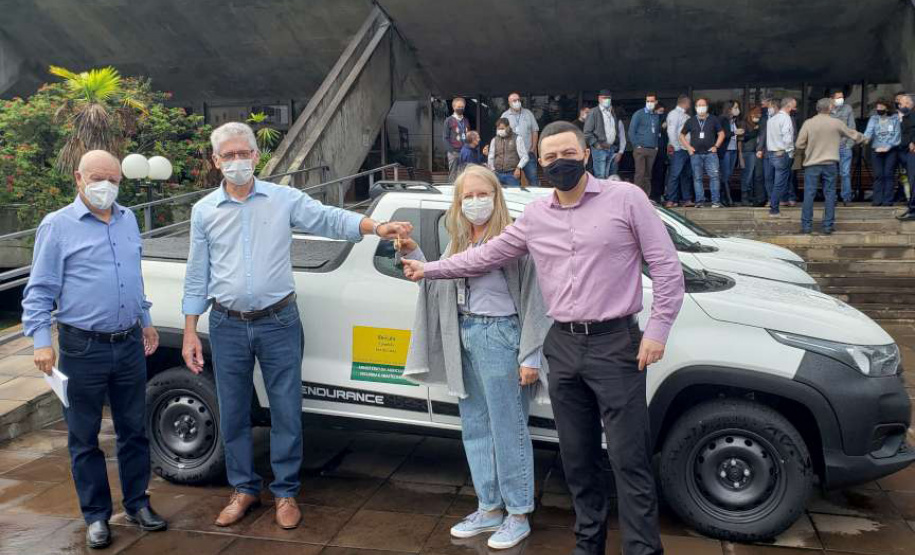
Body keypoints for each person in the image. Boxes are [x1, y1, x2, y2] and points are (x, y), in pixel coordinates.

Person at [402, 121, 685, 555]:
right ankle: (587, 545)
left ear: (586, 154)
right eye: (550, 157)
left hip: (616, 344)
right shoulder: (535, 216)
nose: (559, 163)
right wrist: (430, 269)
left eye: (567, 154)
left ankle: (642, 550)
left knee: (628, 460)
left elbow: (666, 268)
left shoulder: (625, 199)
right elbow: (486, 256)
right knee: (577, 459)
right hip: (563, 346)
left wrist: (658, 330)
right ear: (539, 161)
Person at [181, 122, 412, 530]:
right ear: (217, 161)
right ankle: (244, 489)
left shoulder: (282, 199)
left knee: (286, 409)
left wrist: (377, 227)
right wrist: (189, 330)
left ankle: (285, 492)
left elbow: (328, 219)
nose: (237, 161)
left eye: (243, 153)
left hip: (278, 321)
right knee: (233, 411)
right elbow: (197, 274)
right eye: (228, 155)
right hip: (226, 324)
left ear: (256, 156)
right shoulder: (204, 212)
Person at [399, 165, 551, 549]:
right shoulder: (461, 237)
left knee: (508, 427)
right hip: (463, 333)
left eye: (482, 194)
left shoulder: (513, 237)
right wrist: (414, 253)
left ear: (496, 196)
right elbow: (441, 278)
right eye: (466, 196)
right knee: (475, 426)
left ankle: (518, 513)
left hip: (500, 335)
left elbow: (537, 296)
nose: (474, 202)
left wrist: (531, 354)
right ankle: (489, 507)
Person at [21, 150, 167, 549]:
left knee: (134, 430)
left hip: (128, 343)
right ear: (79, 178)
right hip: (82, 347)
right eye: (97, 177)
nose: (106, 186)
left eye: (113, 179)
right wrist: (41, 343)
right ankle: (97, 516)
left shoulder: (128, 218)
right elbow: (39, 291)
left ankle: (137, 503)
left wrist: (147, 320)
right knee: (84, 437)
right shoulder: (57, 226)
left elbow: (131, 277)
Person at [795, 98, 867, 234]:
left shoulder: (808, 123)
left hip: (812, 164)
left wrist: (810, 148)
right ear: (829, 108)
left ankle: (806, 226)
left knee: (809, 195)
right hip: (830, 164)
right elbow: (852, 134)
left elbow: (799, 144)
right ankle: (827, 226)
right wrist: (865, 139)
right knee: (830, 194)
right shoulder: (836, 123)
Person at [680, 98, 725, 208]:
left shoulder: (713, 119)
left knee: (714, 177)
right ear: (695, 108)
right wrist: (689, 148)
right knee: (697, 178)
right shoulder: (690, 121)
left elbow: (722, 134)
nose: (701, 107)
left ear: (707, 107)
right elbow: (681, 136)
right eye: (699, 105)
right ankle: (699, 201)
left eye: (703, 105)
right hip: (695, 154)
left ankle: (715, 201)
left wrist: (716, 146)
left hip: (711, 154)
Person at [864, 99, 902, 206]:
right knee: (878, 175)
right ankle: (877, 200)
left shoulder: (894, 118)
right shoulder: (874, 118)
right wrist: (864, 139)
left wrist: (888, 147)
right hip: (876, 150)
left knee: (888, 175)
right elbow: (868, 132)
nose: (878, 109)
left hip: (891, 150)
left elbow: (897, 135)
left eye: (881, 107)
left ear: (887, 108)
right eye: (877, 107)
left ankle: (888, 201)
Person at [583, 89, 627, 179]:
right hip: (600, 149)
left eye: (608, 98)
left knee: (611, 176)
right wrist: (596, 144)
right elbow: (587, 132)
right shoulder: (593, 112)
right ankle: (601, 194)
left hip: (611, 148)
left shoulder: (612, 112)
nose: (606, 100)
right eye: (604, 98)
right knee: (600, 175)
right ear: (599, 99)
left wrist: (618, 148)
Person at [765, 97, 797, 216]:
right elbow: (787, 138)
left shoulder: (771, 119)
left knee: (777, 182)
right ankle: (774, 209)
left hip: (772, 153)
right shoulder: (786, 118)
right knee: (780, 183)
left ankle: (775, 206)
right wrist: (790, 151)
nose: (795, 109)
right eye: (794, 106)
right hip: (782, 153)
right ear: (788, 106)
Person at [501, 92, 540, 186]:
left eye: (518, 100)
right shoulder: (505, 116)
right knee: (513, 183)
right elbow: (501, 136)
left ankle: (535, 200)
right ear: (509, 103)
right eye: (514, 100)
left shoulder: (528, 113)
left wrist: (533, 148)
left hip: (528, 153)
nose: (517, 102)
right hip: (512, 155)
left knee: (533, 180)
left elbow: (535, 131)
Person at [664, 94, 694, 207]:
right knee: (675, 174)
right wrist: (676, 146)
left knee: (686, 175)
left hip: (687, 149)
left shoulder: (685, 116)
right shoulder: (674, 114)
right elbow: (671, 131)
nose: (689, 105)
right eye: (689, 103)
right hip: (679, 149)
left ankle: (686, 199)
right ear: (685, 103)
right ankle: (671, 200)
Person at [629, 93, 661, 195]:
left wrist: (656, 146)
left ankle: (646, 197)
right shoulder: (638, 114)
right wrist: (636, 145)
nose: (649, 103)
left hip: (652, 149)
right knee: (640, 174)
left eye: (652, 101)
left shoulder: (656, 115)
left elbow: (656, 132)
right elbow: (631, 131)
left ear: (656, 102)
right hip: (641, 149)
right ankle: (637, 197)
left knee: (648, 175)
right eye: (647, 101)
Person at [831, 90, 857, 205]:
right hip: (830, 148)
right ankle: (832, 198)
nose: (841, 99)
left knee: (845, 173)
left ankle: (846, 198)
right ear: (831, 99)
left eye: (842, 97)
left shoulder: (848, 108)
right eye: (838, 97)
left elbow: (852, 127)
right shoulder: (826, 110)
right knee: (831, 174)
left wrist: (849, 145)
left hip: (845, 146)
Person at [487, 118, 529, 188]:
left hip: (512, 174)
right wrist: (492, 170)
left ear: (508, 127)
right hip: (497, 174)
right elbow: (491, 156)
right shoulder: (494, 140)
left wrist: (518, 168)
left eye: (502, 128)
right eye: (498, 129)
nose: (500, 131)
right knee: (498, 196)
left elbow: (525, 157)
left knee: (514, 196)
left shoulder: (517, 138)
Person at [718, 100, 742, 205]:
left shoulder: (735, 120)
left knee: (729, 175)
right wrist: (734, 132)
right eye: (735, 108)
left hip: (733, 150)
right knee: (726, 174)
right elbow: (722, 134)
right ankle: (728, 199)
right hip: (725, 150)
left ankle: (725, 198)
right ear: (729, 109)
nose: (738, 110)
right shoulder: (722, 119)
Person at [740, 106, 765, 205]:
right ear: (750, 114)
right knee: (747, 175)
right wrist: (755, 131)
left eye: (759, 115)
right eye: (755, 114)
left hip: (756, 152)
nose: (757, 116)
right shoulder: (744, 123)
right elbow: (742, 138)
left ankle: (751, 196)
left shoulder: (758, 124)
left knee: (755, 176)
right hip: (748, 151)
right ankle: (744, 198)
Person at [444, 97, 472, 183]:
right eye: (458, 107)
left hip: (465, 152)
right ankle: (451, 192)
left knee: (464, 174)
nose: (460, 109)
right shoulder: (448, 120)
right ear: (453, 107)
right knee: (453, 174)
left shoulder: (466, 120)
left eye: (462, 107)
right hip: (454, 152)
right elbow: (445, 137)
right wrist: (452, 151)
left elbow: (468, 136)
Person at [896, 95, 915, 220]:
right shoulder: (904, 118)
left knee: (913, 180)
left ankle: (913, 210)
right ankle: (912, 207)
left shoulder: (913, 117)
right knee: (910, 180)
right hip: (905, 152)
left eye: (907, 103)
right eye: (902, 103)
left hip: (912, 152)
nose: (904, 105)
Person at [650, 103, 669, 201]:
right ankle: (651, 195)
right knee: (651, 174)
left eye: (662, 112)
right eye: (659, 112)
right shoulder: (651, 121)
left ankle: (659, 195)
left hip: (662, 152)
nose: (660, 114)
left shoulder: (666, 123)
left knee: (661, 174)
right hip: (652, 151)